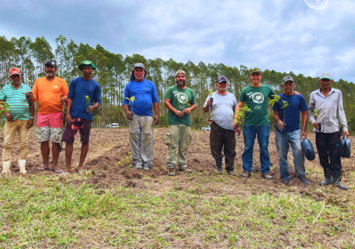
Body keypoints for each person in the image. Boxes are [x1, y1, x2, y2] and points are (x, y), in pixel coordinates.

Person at [233, 68, 283, 180]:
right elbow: (239, 106)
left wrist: (292, 93)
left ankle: (265, 171)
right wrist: (236, 119)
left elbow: (278, 100)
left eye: (257, 75)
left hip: (263, 124)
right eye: (253, 75)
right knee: (248, 147)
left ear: (261, 76)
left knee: (264, 147)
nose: (255, 77)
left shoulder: (267, 89)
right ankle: (246, 170)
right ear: (250, 77)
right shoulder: (245, 90)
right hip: (249, 124)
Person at [308, 72, 349, 190]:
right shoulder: (314, 94)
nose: (325, 82)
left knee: (335, 154)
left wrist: (345, 127)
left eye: (327, 80)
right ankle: (327, 178)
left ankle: (337, 180)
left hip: (333, 129)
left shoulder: (337, 93)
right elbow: (310, 110)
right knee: (322, 153)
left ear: (331, 81)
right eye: (323, 80)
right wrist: (313, 121)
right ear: (319, 81)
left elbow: (341, 110)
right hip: (319, 129)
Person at [61, 60, 101, 175]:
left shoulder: (96, 85)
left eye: (89, 68)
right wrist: (67, 113)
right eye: (85, 68)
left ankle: (80, 166)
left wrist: (93, 107)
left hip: (87, 117)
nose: (87, 70)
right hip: (74, 115)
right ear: (82, 69)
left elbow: (98, 101)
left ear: (92, 70)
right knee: (69, 140)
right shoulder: (75, 82)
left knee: (85, 141)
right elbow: (70, 97)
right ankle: (68, 167)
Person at [29, 61, 68, 173]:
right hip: (42, 114)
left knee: (56, 140)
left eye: (52, 67)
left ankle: (55, 165)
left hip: (57, 114)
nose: (50, 69)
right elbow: (34, 98)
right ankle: (45, 164)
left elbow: (67, 95)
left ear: (56, 69)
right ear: (44, 69)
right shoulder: (38, 81)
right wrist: (30, 96)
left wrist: (64, 99)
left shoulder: (61, 81)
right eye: (47, 68)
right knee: (43, 140)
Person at [273, 76, 310, 186]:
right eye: (286, 84)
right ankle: (285, 177)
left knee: (298, 151)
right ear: (283, 86)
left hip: (295, 130)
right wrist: (278, 120)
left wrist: (303, 129)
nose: (288, 86)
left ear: (293, 85)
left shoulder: (299, 98)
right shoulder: (278, 98)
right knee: (281, 155)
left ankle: (301, 174)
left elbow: (304, 113)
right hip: (281, 132)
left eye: (290, 84)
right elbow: (275, 114)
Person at [123, 63, 159, 171]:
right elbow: (125, 100)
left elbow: (155, 100)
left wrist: (157, 114)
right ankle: (137, 161)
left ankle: (147, 161)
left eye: (141, 70)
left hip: (148, 116)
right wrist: (126, 111)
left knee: (147, 138)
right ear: (134, 72)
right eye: (136, 70)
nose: (139, 72)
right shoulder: (129, 85)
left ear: (144, 72)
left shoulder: (151, 84)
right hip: (134, 115)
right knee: (134, 137)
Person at [0, 68, 34, 175]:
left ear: (21, 76)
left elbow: (31, 103)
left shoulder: (27, 88)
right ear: (10, 77)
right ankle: (5, 170)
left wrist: (31, 118)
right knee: (7, 144)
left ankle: (22, 169)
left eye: (17, 76)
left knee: (24, 144)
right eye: (13, 76)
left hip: (24, 119)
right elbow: (1, 103)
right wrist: (6, 114)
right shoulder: (5, 89)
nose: (16, 78)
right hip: (11, 120)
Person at [164, 70, 197, 176]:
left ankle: (182, 165)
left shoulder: (190, 91)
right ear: (176, 78)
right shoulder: (171, 90)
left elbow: (194, 104)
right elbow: (166, 102)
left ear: (185, 78)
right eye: (178, 76)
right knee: (172, 143)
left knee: (184, 145)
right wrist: (176, 111)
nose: (180, 78)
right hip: (174, 121)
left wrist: (189, 109)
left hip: (186, 121)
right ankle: (171, 166)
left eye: (182, 76)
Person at [204, 76, 238, 175]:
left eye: (224, 83)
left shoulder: (232, 96)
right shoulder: (212, 95)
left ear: (227, 84)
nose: (222, 85)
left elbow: (236, 111)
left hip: (230, 126)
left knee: (230, 148)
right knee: (215, 147)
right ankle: (219, 168)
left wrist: (238, 124)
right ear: (217, 85)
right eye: (220, 83)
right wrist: (207, 104)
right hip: (216, 125)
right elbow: (205, 110)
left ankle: (230, 169)